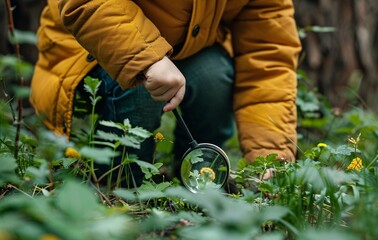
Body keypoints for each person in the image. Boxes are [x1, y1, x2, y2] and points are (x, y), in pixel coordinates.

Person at [30, 0, 302, 185]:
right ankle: (122, 189)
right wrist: (146, 58)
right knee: (139, 89)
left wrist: (271, 156)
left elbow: (268, 58)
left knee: (213, 74)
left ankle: (199, 184)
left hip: (184, 50)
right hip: (93, 46)